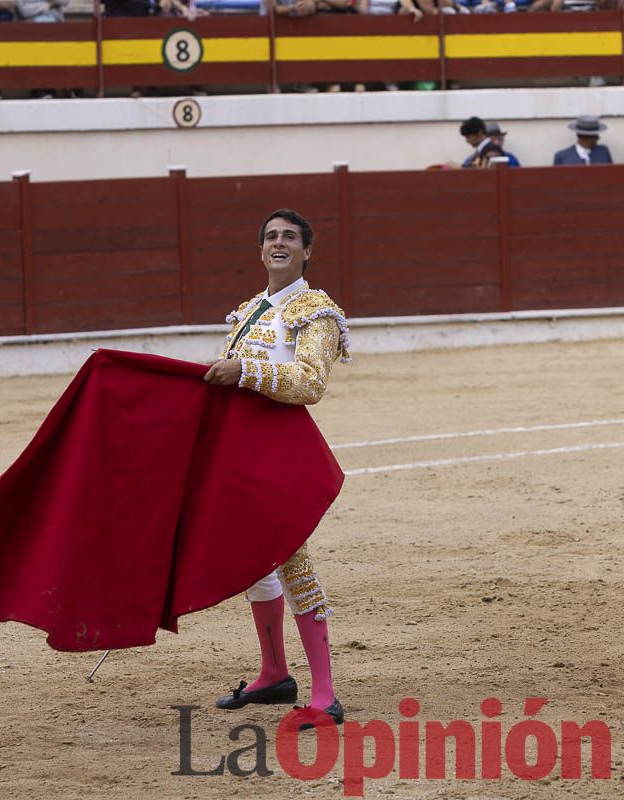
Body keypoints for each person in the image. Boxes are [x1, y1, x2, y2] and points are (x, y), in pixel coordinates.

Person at [203, 209, 350, 730]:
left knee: (292, 561)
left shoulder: (317, 312)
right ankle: (274, 673)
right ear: (261, 250)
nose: (279, 242)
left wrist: (245, 369)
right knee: (256, 563)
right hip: (243, 454)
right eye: (270, 236)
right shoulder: (249, 311)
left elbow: (310, 381)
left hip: (282, 456)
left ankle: (325, 695)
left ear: (307, 251)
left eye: (289, 236)